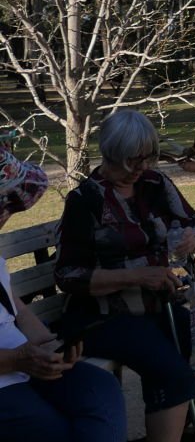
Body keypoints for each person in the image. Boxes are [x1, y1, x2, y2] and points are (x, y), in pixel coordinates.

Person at [55, 110, 195, 442]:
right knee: (173, 375)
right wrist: (137, 276)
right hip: (101, 318)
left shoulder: (155, 184)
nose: (141, 167)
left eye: (148, 157)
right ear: (111, 154)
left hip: (156, 308)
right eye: (132, 160)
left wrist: (194, 237)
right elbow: (69, 276)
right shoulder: (85, 201)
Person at [0, 144, 127, 442]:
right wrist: (17, 360)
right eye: (7, 203)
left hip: (25, 368)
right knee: (53, 430)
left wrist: (49, 345)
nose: (8, 213)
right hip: (9, 377)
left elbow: (13, 309)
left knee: (100, 391)